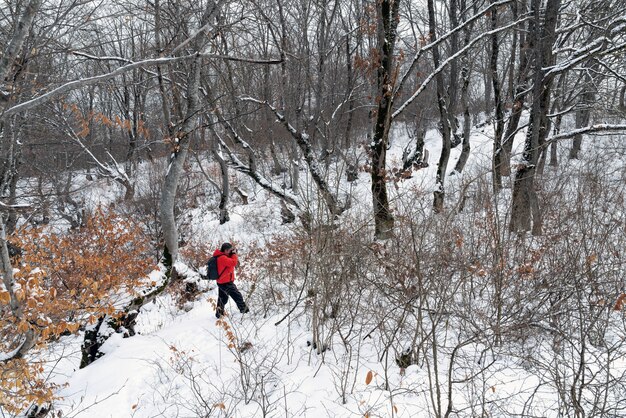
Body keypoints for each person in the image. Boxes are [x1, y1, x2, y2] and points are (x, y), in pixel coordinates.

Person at [214, 242, 249, 318]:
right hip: (225, 282)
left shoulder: (223, 256)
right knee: (237, 296)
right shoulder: (222, 258)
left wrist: (232, 254)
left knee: (223, 299)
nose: (231, 251)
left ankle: (219, 314)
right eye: (230, 250)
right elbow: (233, 263)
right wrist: (234, 254)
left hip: (222, 282)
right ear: (226, 250)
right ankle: (244, 311)